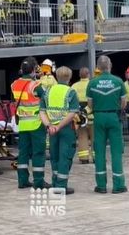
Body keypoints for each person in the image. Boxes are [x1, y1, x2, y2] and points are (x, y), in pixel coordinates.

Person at [86, 55, 128, 194]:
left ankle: (101, 185)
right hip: (114, 117)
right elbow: (123, 102)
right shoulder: (118, 81)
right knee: (116, 152)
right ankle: (118, 185)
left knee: (99, 151)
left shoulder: (92, 83)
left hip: (98, 117)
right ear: (110, 65)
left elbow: (90, 104)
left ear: (97, 67)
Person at [11, 57, 50, 189]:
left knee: (23, 153)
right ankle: (38, 182)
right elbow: (46, 100)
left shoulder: (14, 84)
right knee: (38, 153)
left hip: (22, 123)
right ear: (34, 70)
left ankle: (22, 180)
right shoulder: (36, 86)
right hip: (36, 124)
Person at [39, 66, 79, 194]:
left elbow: (42, 111)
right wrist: (59, 126)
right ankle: (61, 186)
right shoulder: (71, 92)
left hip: (51, 129)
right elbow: (72, 114)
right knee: (65, 157)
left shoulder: (47, 91)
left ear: (56, 76)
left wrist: (49, 126)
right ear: (69, 77)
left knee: (54, 156)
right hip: (66, 129)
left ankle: (55, 183)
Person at [71, 67, 94, 164]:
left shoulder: (74, 86)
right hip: (93, 116)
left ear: (79, 75)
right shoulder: (92, 84)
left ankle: (84, 158)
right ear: (88, 74)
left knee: (82, 137)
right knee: (95, 137)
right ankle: (97, 157)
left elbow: (71, 101)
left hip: (80, 117)